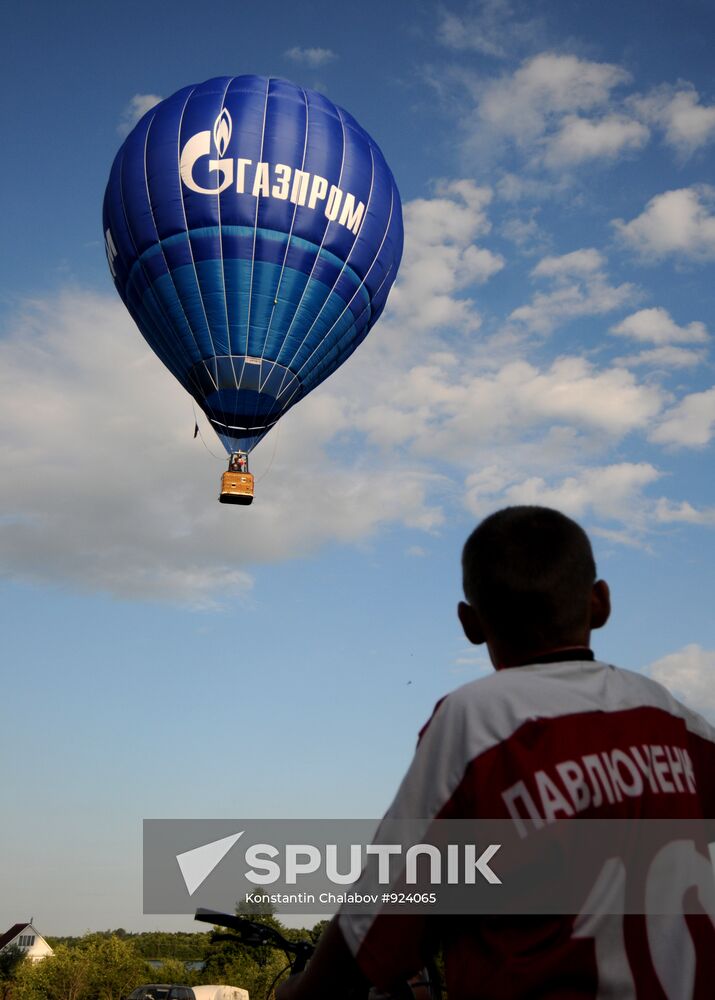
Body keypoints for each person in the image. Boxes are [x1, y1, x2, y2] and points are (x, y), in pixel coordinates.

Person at [276, 506, 715, 999]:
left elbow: (378, 917)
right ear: (600, 603)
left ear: (469, 623)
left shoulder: (479, 721)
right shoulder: (669, 716)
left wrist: (303, 990)